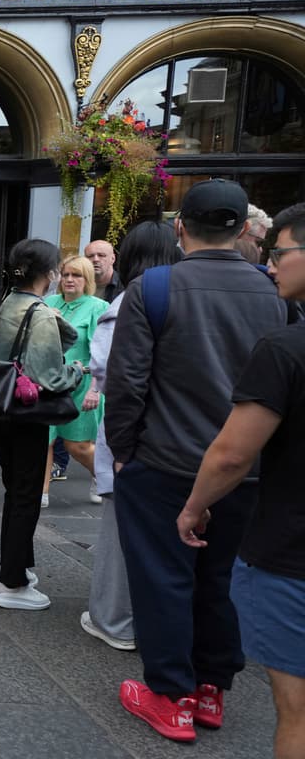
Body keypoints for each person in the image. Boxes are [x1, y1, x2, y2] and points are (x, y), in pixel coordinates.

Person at [106, 179, 287, 744]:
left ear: (180, 227)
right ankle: (211, 688)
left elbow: (128, 382)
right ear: (243, 231)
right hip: (251, 469)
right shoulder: (277, 295)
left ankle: (170, 695)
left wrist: (126, 451)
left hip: (166, 462)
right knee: (226, 578)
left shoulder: (154, 288)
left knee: (163, 577)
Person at [176, 202, 305, 758]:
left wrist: (194, 505)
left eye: (281, 252)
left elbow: (232, 453)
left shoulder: (286, 349)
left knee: (297, 712)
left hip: (291, 550)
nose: (272, 266)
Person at [82, 221, 182, 652]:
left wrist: (121, 446)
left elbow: (109, 371)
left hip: (138, 434)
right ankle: (161, 622)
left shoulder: (130, 300)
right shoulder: (192, 293)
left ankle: (115, 620)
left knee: (123, 530)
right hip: (189, 435)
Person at [0, 239, 84, 610]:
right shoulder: (39, 314)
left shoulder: (7, 301)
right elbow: (50, 377)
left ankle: (20, 568)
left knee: (15, 490)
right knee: (25, 497)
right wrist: (76, 372)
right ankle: (10, 583)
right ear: (51, 273)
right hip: (27, 414)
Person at [41, 255, 108, 508]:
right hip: (49, 383)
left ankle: (102, 476)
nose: (69, 280)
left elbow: (102, 353)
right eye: (66, 274)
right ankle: (42, 491)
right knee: (44, 440)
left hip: (83, 384)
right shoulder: (49, 302)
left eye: (76, 275)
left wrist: (95, 389)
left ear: (87, 280)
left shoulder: (98, 307)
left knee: (77, 445)